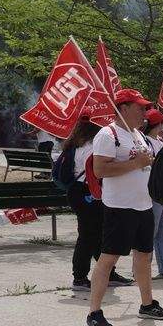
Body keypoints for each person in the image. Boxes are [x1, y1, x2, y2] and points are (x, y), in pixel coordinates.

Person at [84, 88, 163, 326]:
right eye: (140, 107)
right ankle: (94, 312)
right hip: (119, 207)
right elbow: (100, 170)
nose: (145, 112)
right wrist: (136, 164)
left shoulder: (137, 135)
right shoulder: (107, 135)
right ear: (123, 109)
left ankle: (147, 303)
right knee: (108, 259)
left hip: (143, 204)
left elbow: (143, 164)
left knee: (144, 255)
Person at [56, 116, 132, 293]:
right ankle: (80, 277)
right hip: (87, 192)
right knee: (89, 235)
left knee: (97, 233)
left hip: (80, 191)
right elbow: (100, 170)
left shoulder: (75, 144)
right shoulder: (92, 146)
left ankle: (107, 272)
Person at [143, 109, 163, 278]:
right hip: (152, 191)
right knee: (152, 230)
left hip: (161, 191)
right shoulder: (144, 142)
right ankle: (143, 267)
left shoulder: (160, 141)